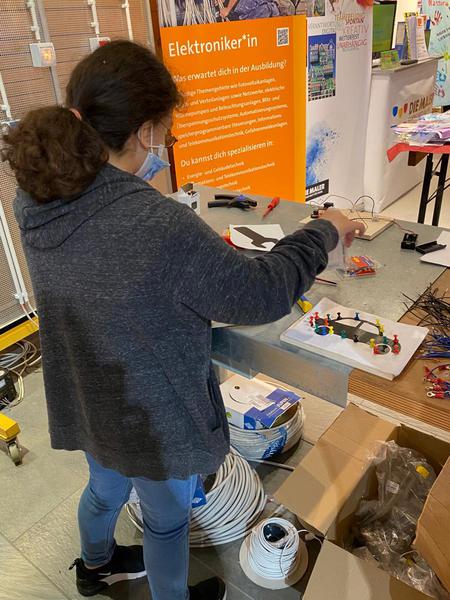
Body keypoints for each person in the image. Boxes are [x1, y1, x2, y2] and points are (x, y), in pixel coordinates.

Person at [1, 40, 364, 600]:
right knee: (167, 520)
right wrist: (323, 231)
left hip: (89, 396)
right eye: (165, 134)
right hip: (151, 417)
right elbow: (260, 292)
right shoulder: (156, 224)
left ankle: (94, 566)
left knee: (104, 490)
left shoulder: (38, 199)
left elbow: (110, 277)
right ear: (146, 130)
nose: (163, 147)